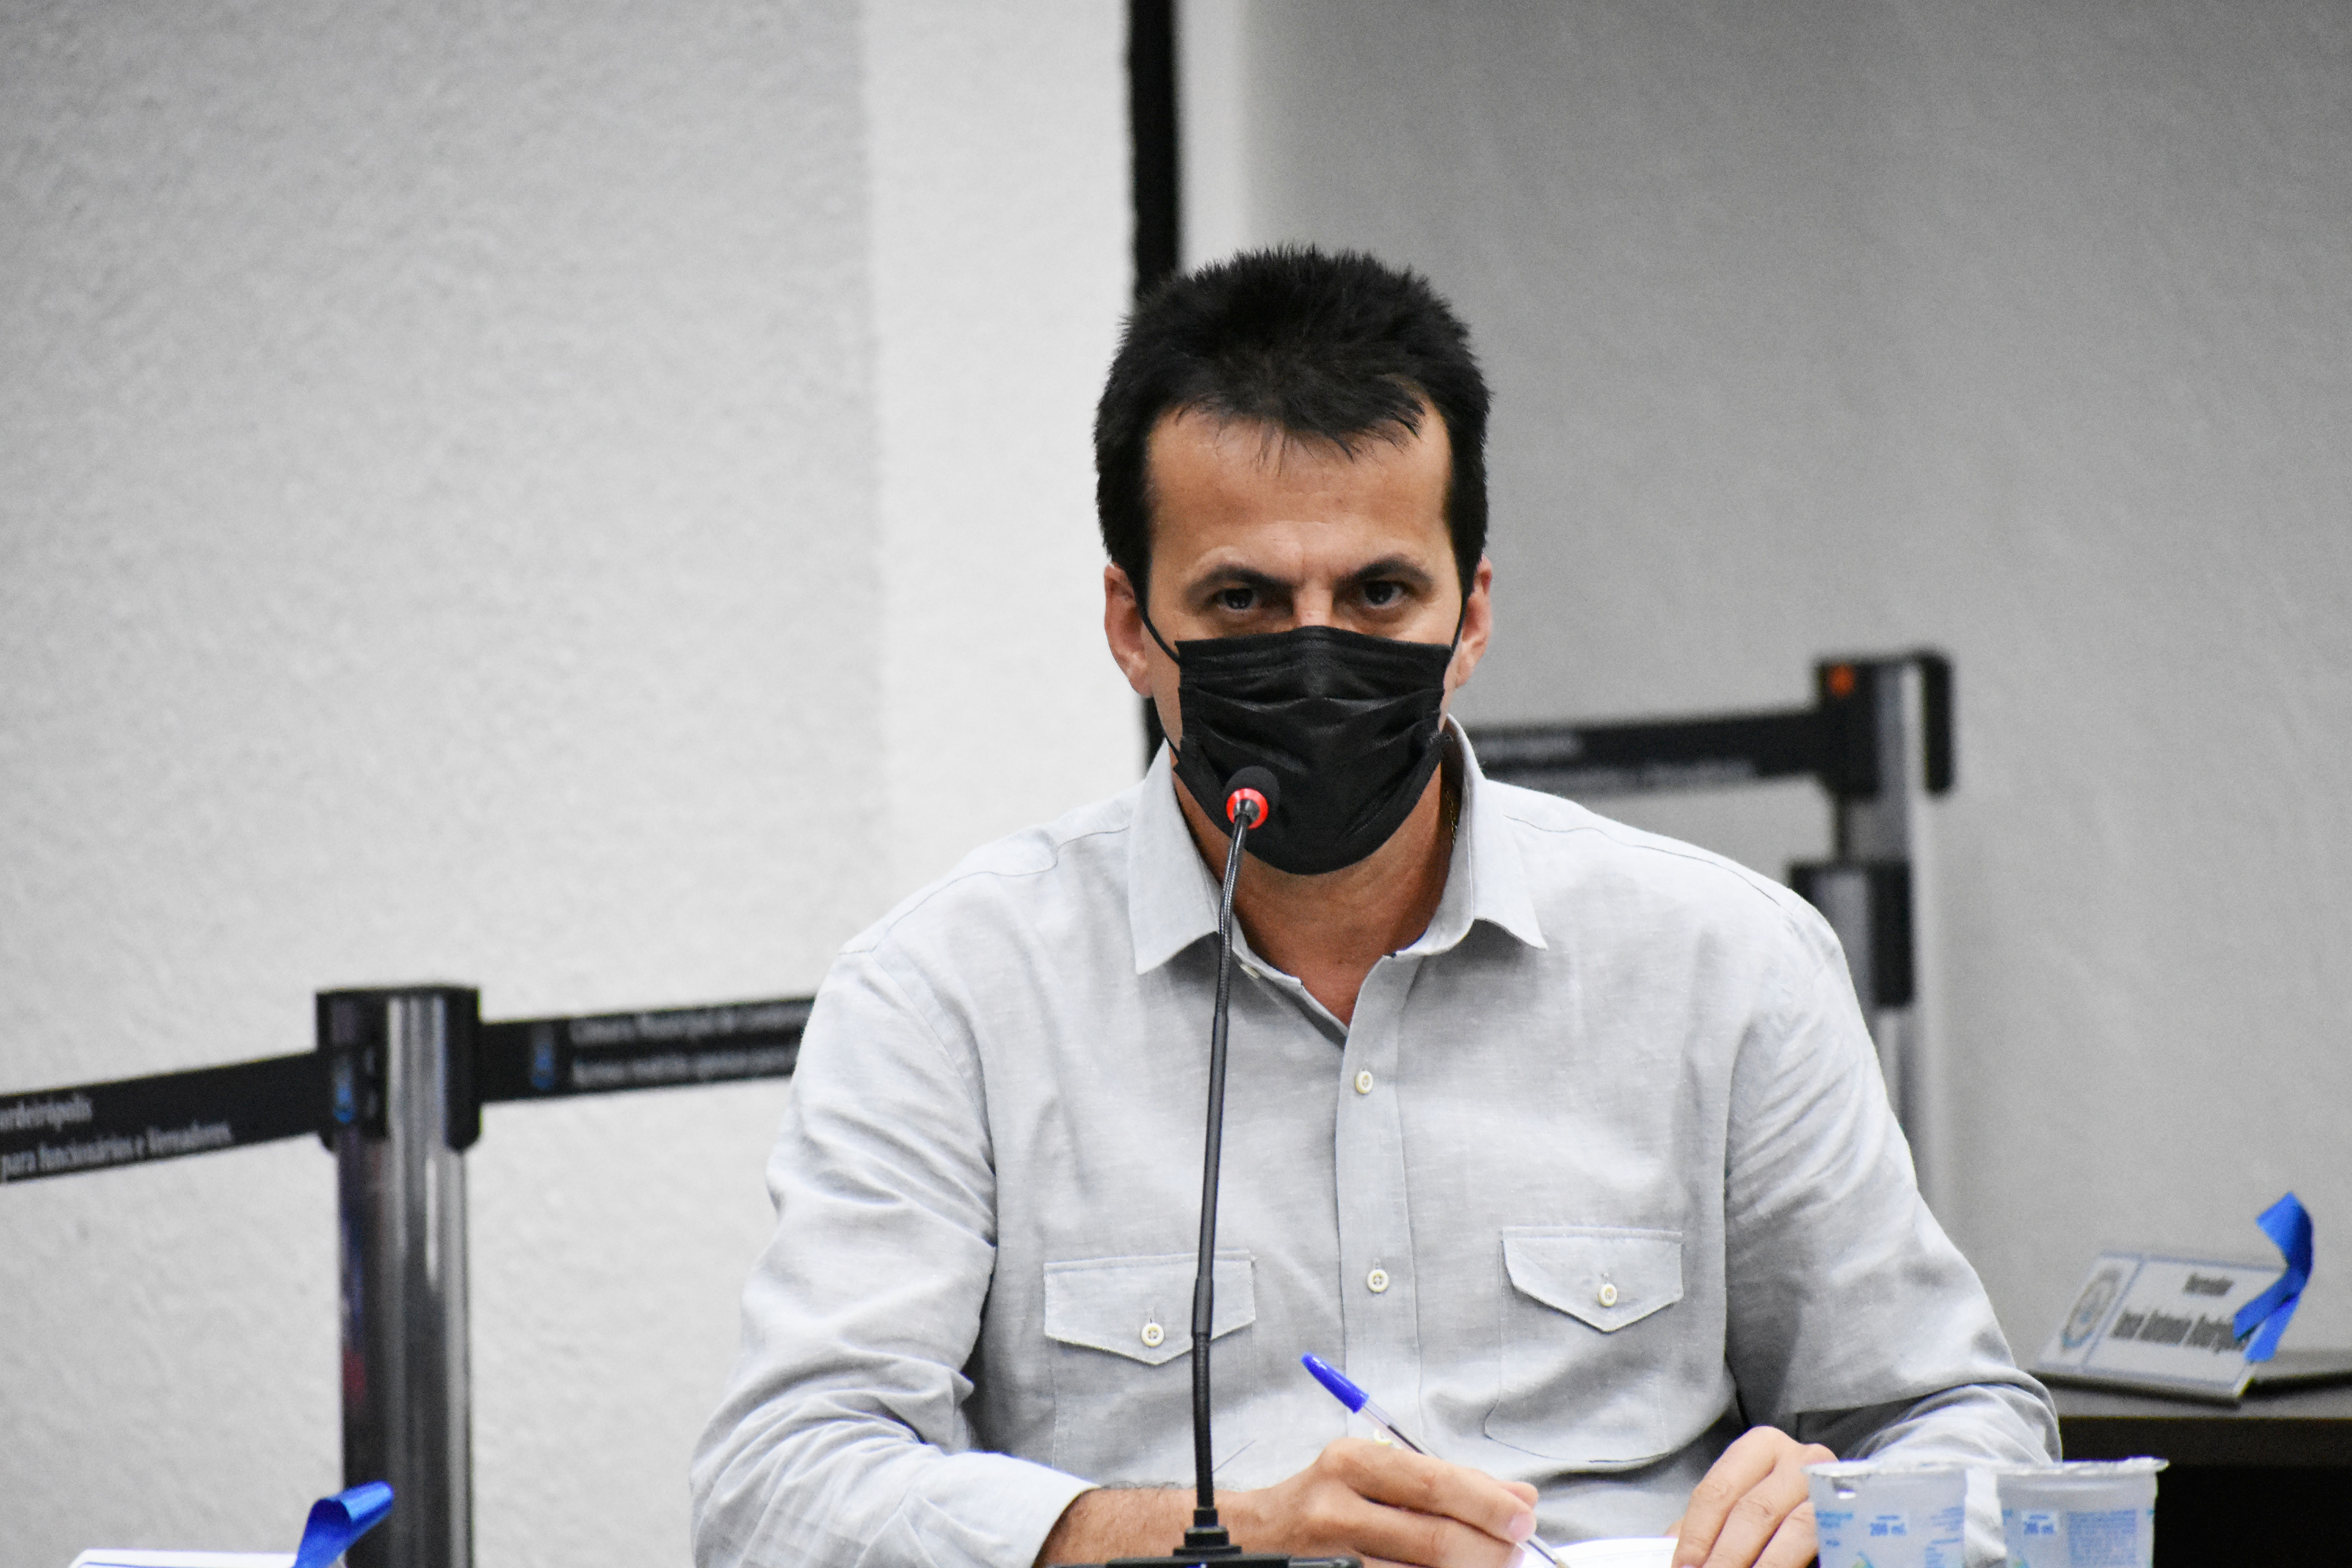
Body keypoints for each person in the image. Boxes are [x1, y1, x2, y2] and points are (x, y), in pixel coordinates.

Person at [691, 247, 2055, 1568]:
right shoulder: (949, 997)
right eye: (1241, 600)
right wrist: (1217, 1541)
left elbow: (1970, 1425)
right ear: (1129, 627)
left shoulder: (1724, 964)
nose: (1316, 654)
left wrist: (1856, 1501)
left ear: (1472, 617)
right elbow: (777, 1497)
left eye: (1381, 594)